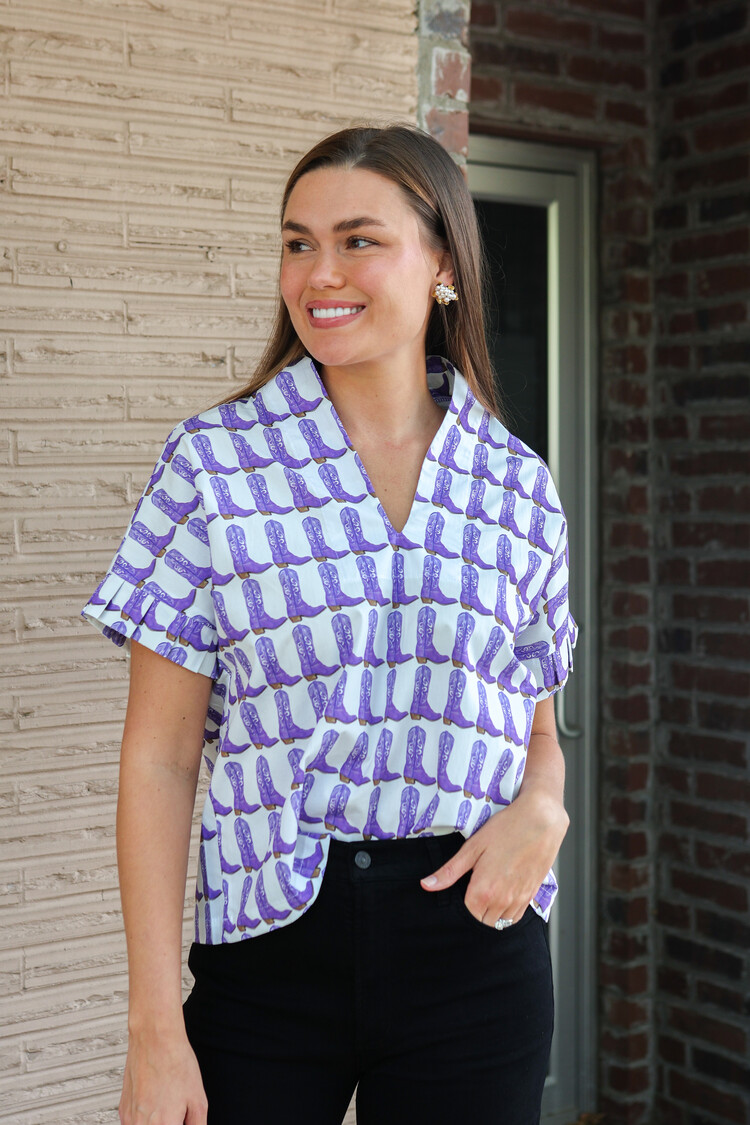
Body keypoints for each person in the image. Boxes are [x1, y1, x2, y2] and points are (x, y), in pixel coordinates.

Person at [81, 123, 578, 1125]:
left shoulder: (516, 485)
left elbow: (537, 727)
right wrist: (154, 1030)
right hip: (267, 950)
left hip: (474, 948)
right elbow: (162, 757)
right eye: (298, 243)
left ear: (443, 265)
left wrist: (545, 805)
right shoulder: (212, 466)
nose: (321, 273)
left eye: (359, 240)